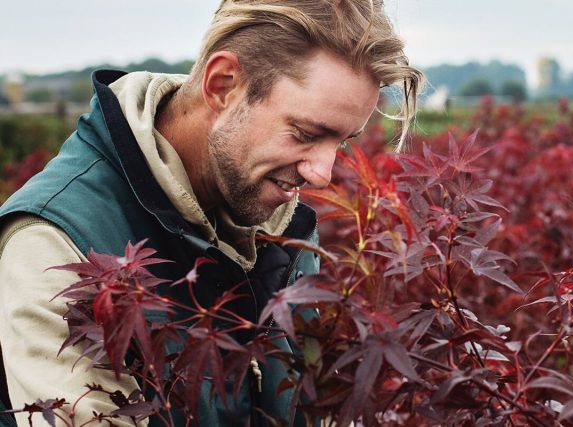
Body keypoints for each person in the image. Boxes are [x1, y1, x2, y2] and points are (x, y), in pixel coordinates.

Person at [0, 1, 422, 425]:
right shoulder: (55, 241)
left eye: (344, 141)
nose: (322, 175)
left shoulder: (282, 222)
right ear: (223, 85)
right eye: (305, 134)